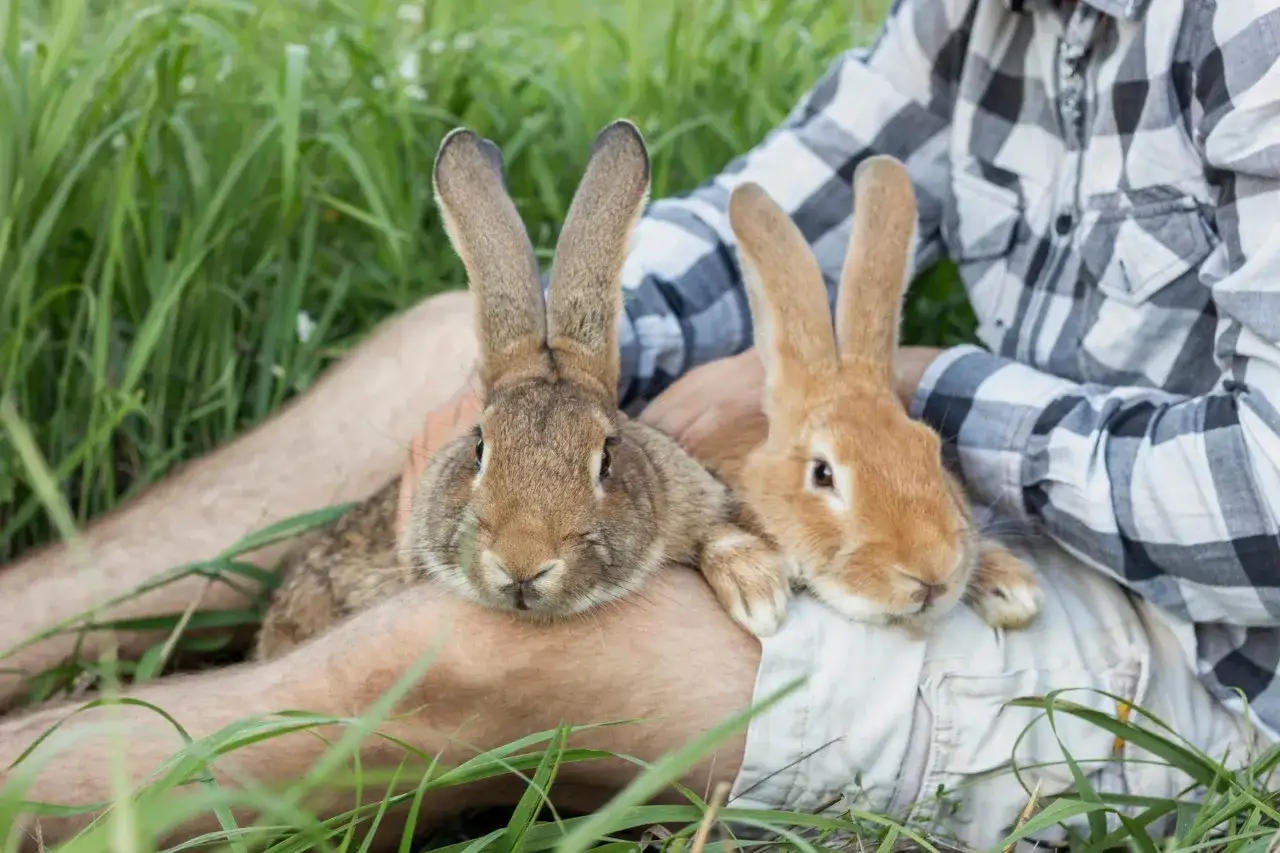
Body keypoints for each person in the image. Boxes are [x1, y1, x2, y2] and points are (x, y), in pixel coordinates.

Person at [3, 0, 1279, 847]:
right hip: (932, 519)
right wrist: (525, 373)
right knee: (429, 348)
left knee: (486, 650)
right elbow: (777, 210)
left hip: (1215, 655)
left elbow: (1261, 504)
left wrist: (901, 393)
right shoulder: (977, 16)